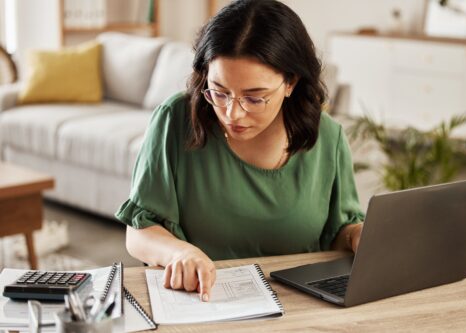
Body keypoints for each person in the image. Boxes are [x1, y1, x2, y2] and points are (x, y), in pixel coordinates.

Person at [115, 0, 365, 303]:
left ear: (291, 83)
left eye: (255, 98)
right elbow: (139, 231)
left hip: (302, 308)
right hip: (202, 302)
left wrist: (357, 236)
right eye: (219, 92)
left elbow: (339, 234)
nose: (233, 113)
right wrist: (180, 252)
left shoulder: (328, 137)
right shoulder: (175, 121)